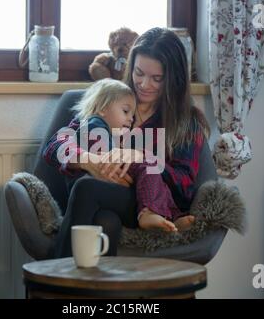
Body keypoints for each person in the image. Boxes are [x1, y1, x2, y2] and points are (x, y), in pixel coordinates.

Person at [43, 27, 210, 258]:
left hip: (145, 203)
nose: (144, 84)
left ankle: (54, 282)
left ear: (174, 79)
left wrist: (143, 158)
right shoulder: (112, 97)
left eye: (157, 78)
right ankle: (95, 290)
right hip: (102, 200)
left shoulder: (186, 122)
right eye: (139, 73)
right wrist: (88, 160)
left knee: (86, 188)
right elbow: (55, 145)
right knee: (106, 221)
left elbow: (184, 184)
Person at [64, 78, 190, 232]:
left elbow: (183, 180)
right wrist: (132, 154)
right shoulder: (95, 123)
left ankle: (171, 217)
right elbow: (110, 156)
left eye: (132, 114)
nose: (131, 119)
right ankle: (150, 212)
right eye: (125, 111)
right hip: (96, 178)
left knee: (155, 176)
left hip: (104, 182)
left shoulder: (185, 121)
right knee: (149, 167)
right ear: (103, 108)